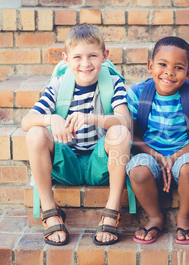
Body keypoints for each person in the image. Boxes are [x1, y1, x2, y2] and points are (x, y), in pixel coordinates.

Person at [21, 23, 131, 246]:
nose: (86, 63)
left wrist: (91, 118)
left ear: (104, 56)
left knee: (119, 131)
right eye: (78, 57)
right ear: (66, 59)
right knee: (35, 133)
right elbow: (26, 121)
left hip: (100, 164)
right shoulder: (58, 86)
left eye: (92, 56)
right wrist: (51, 119)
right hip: (66, 163)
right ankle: (50, 211)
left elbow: (126, 121)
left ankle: (112, 210)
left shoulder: (113, 83)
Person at [126, 36, 189, 244]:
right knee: (136, 170)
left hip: (184, 153)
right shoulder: (137, 94)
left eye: (178, 67)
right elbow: (131, 134)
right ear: (150, 65)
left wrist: (175, 156)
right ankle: (155, 217)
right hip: (148, 153)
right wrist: (156, 156)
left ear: (188, 72)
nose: (169, 72)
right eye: (162, 64)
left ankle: (185, 216)